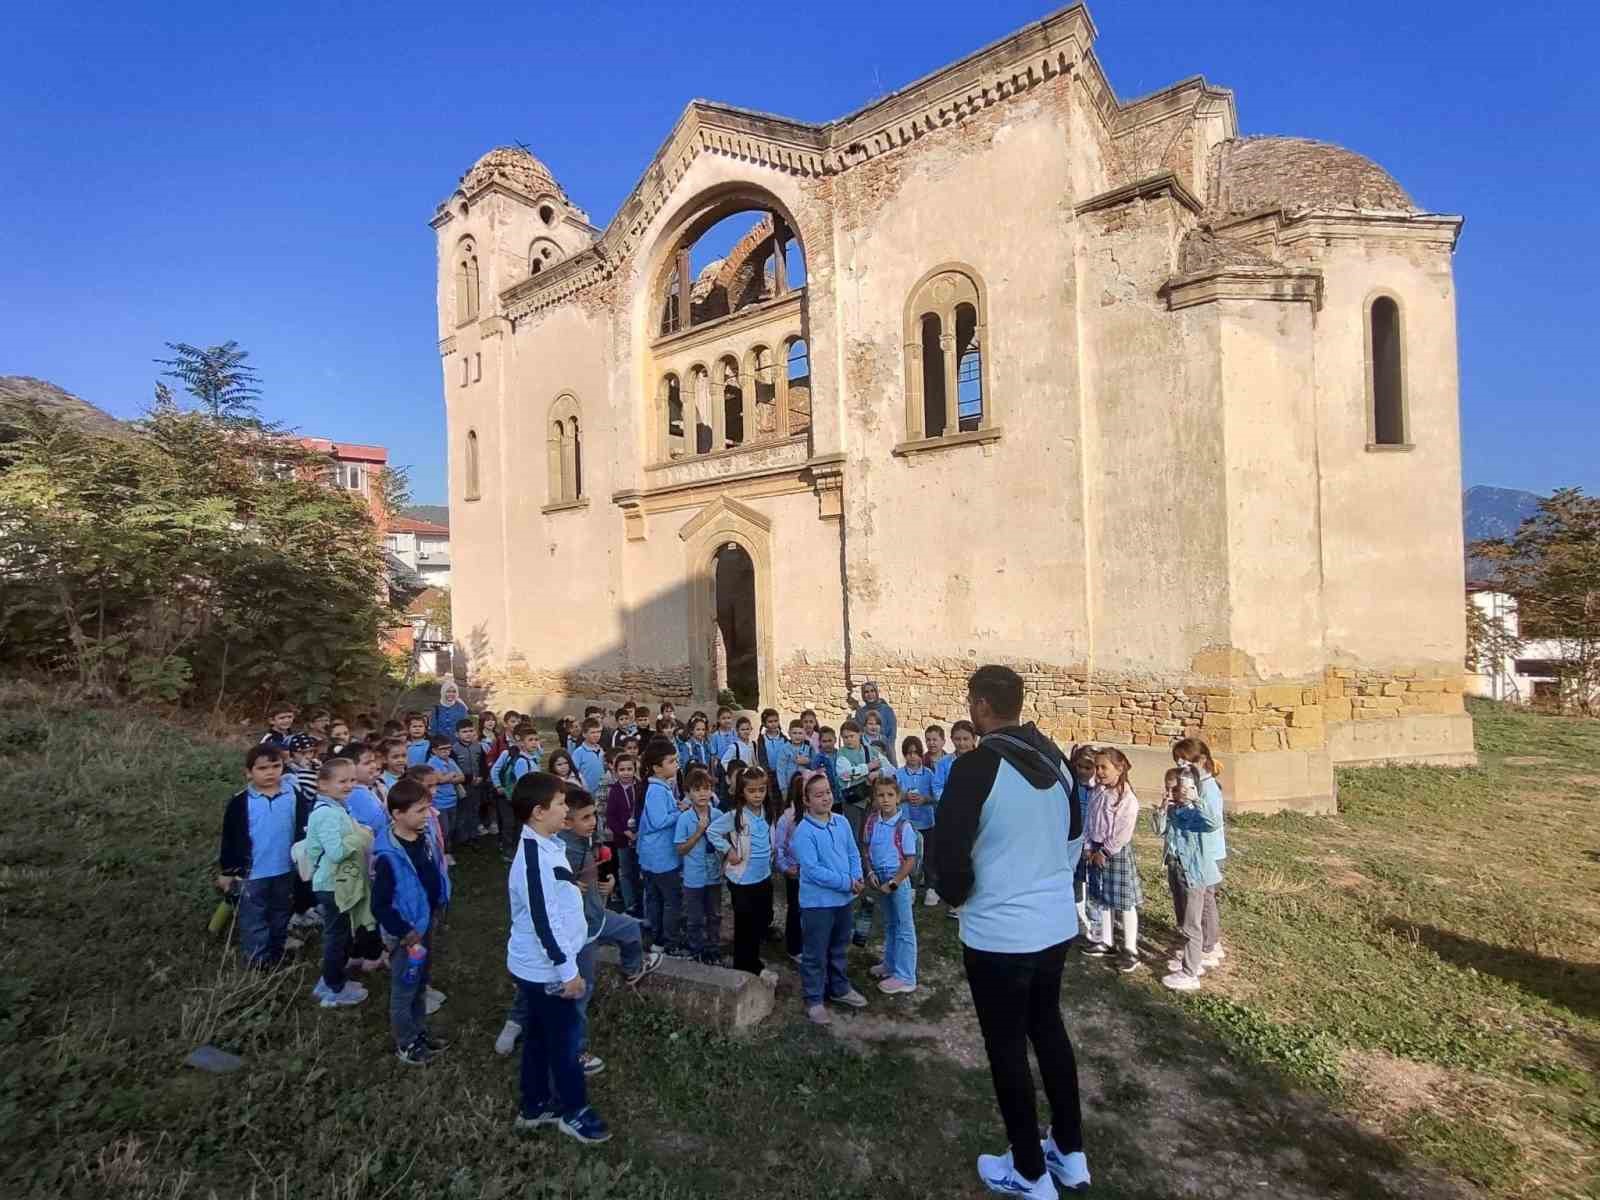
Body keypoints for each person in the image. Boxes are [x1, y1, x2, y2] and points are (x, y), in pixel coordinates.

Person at [931, 664, 1089, 1197]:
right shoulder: (1058, 762)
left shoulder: (975, 767)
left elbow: (948, 857)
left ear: (979, 705)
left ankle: (1027, 1170)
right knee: (1048, 1030)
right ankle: (1070, 1152)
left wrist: (962, 896)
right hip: (1052, 924)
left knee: (1006, 1048)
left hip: (1000, 933)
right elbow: (1074, 840)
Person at [504, 773, 611, 1144]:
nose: (567, 809)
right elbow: (543, 923)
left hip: (542, 964)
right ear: (538, 812)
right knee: (565, 1043)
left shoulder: (546, 843)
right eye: (561, 804)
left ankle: (533, 1105)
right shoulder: (533, 859)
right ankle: (574, 1111)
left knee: (537, 1037)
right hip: (547, 968)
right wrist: (568, 973)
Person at [371, 778, 450, 1065]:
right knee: (404, 989)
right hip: (407, 934)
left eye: (428, 809)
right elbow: (379, 906)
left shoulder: (423, 837)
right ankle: (406, 1043)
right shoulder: (388, 857)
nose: (427, 815)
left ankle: (419, 1033)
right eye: (419, 811)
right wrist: (405, 932)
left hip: (425, 922)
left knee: (419, 984)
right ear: (397, 814)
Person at [791, 771, 868, 1025]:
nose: (825, 798)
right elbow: (812, 871)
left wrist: (856, 876)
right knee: (815, 953)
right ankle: (814, 999)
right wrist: (846, 882)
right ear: (807, 800)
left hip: (843, 901)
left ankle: (840, 988)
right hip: (818, 904)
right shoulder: (804, 831)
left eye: (828, 792)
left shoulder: (841, 822)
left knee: (839, 947)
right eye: (818, 794)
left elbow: (853, 852)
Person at [217, 744, 304, 966]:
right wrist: (228, 871)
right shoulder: (240, 802)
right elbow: (230, 838)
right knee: (253, 918)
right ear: (249, 772)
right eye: (263, 768)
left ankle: (277, 950)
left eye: (276, 766)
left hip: (285, 869)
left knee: (280, 913)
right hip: (252, 872)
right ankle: (259, 960)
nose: (271, 772)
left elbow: (304, 828)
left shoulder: (293, 795)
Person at [303, 757, 374, 1008]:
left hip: (339, 883)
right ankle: (334, 988)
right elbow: (335, 852)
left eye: (352, 780)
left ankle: (331, 979)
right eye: (342, 781)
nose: (348, 785)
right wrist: (361, 836)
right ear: (322, 784)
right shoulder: (326, 814)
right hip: (332, 886)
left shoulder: (337, 807)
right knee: (337, 937)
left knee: (342, 934)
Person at [1154, 763, 1221, 993]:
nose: (1172, 794)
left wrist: (1197, 800)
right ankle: (1190, 959)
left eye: (1176, 790)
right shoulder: (1173, 811)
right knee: (1184, 920)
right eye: (1168, 790)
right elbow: (1158, 830)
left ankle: (1191, 972)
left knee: (1192, 924)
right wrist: (1162, 809)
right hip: (1176, 870)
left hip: (1193, 875)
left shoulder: (1194, 812)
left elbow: (1213, 823)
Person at [713, 766, 778, 980]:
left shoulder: (768, 813)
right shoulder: (736, 815)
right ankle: (746, 964)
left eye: (761, 790)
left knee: (763, 918)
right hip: (741, 879)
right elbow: (713, 831)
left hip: (763, 876)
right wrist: (729, 850)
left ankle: (752, 958)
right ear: (742, 792)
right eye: (752, 791)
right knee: (744, 924)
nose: (758, 795)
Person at [1170, 738, 1227, 971]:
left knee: (1205, 901)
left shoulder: (1209, 788)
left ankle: (1209, 946)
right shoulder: (1195, 783)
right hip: (1196, 850)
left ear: (1201, 760)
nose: (1181, 763)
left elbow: (1211, 819)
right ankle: (1201, 942)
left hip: (1209, 851)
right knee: (1199, 900)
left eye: (1185, 758)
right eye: (1177, 760)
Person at [1082, 748, 1141, 973]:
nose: (1099, 772)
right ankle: (1106, 941)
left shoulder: (1126, 798)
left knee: (1124, 902)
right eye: (1097, 767)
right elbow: (1089, 819)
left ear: (1120, 768)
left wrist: (1104, 852)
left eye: (1103, 767)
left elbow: (1122, 832)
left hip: (1113, 854)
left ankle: (1130, 949)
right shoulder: (1098, 791)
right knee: (1102, 898)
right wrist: (1088, 846)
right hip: (1095, 850)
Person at [834, 718, 889, 945]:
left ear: (859, 735)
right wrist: (867, 769)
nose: (849, 740)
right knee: (855, 837)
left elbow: (887, 766)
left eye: (852, 736)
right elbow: (844, 775)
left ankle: (870, 871)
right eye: (845, 736)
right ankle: (856, 876)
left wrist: (875, 772)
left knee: (870, 837)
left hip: (869, 801)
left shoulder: (869, 749)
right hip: (853, 801)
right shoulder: (841, 755)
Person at [864, 775, 919, 995]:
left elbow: (910, 860)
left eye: (890, 795)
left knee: (904, 927)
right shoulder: (872, 821)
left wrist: (894, 883)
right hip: (878, 878)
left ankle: (906, 975)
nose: (885, 800)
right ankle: (890, 964)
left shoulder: (903, 826)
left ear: (898, 798)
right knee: (890, 923)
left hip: (897, 880)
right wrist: (869, 871)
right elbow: (866, 849)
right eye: (880, 795)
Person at [637, 736, 686, 955]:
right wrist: (680, 811)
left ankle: (657, 939)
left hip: (653, 856)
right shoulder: (656, 790)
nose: (676, 764)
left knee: (656, 899)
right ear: (657, 767)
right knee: (669, 900)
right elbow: (659, 821)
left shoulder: (660, 787)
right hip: (661, 858)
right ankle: (668, 941)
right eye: (672, 761)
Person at [675, 767, 725, 964]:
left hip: (714, 875)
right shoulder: (685, 819)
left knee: (715, 914)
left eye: (706, 788)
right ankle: (696, 948)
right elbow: (680, 849)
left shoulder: (720, 815)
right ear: (688, 793)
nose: (703, 794)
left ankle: (713, 948)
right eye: (697, 790)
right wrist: (698, 832)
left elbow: (726, 843)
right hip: (694, 877)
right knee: (695, 918)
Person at [942, 720, 979, 920]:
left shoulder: (983, 763)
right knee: (958, 857)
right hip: (953, 816)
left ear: (974, 740)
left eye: (966, 739)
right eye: (957, 739)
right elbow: (939, 787)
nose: (961, 743)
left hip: (976, 816)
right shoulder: (945, 763)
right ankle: (958, 901)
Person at [897, 735, 939, 907]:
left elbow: (935, 796)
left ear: (921, 754)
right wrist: (904, 796)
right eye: (908, 753)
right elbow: (893, 796)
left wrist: (924, 799)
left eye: (915, 753)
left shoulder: (929, 774)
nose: (912, 757)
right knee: (910, 857)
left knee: (929, 856)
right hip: (907, 823)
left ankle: (931, 888)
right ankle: (911, 888)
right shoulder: (899, 774)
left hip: (927, 822)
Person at [773, 772, 807, 964]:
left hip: (812, 873)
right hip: (794, 873)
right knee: (795, 908)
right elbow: (779, 848)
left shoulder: (815, 815)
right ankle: (794, 947)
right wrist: (786, 868)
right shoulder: (787, 818)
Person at [605, 752, 644, 918]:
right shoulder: (614, 791)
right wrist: (625, 831)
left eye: (629, 769)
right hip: (622, 839)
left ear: (635, 770)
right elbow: (610, 817)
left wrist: (639, 832)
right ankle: (630, 905)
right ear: (615, 772)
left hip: (641, 838)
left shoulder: (640, 787)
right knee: (626, 872)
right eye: (622, 769)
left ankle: (643, 903)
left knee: (641, 872)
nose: (626, 773)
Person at [1066, 746, 1099, 939]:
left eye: (1088, 767)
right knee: (1074, 880)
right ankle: (1076, 917)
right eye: (1080, 766)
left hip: (1092, 843)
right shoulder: (1071, 786)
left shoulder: (1099, 789)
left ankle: (1096, 923)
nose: (1083, 771)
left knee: (1093, 883)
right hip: (1073, 839)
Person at [424, 734, 466, 855]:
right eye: (443, 749)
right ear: (434, 750)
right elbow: (439, 780)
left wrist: (446, 777)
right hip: (439, 803)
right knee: (443, 830)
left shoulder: (451, 761)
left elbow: (462, 777)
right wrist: (450, 775)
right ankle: (444, 853)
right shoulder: (431, 763)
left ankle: (449, 849)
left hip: (453, 800)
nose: (447, 751)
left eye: (448, 748)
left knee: (452, 827)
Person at [451, 717, 485, 843]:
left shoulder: (478, 747)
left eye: (470, 731)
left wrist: (481, 776)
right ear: (457, 734)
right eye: (464, 731)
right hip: (462, 786)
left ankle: (474, 834)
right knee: (462, 811)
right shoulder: (453, 749)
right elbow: (453, 768)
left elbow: (483, 764)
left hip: (477, 785)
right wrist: (466, 780)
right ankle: (462, 836)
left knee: (475, 809)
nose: (468, 734)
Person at [853, 681, 898, 765]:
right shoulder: (860, 713)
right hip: (865, 751)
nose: (870, 694)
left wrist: (886, 748)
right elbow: (858, 734)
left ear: (876, 692)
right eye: (866, 692)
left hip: (885, 748)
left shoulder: (887, 710)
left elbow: (892, 733)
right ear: (863, 695)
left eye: (872, 691)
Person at [572, 718, 607, 794]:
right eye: (593, 732)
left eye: (598, 732)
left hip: (602, 793)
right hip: (586, 795)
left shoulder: (601, 750)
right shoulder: (578, 753)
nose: (596, 735)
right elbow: (574, 774)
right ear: (584, 734)